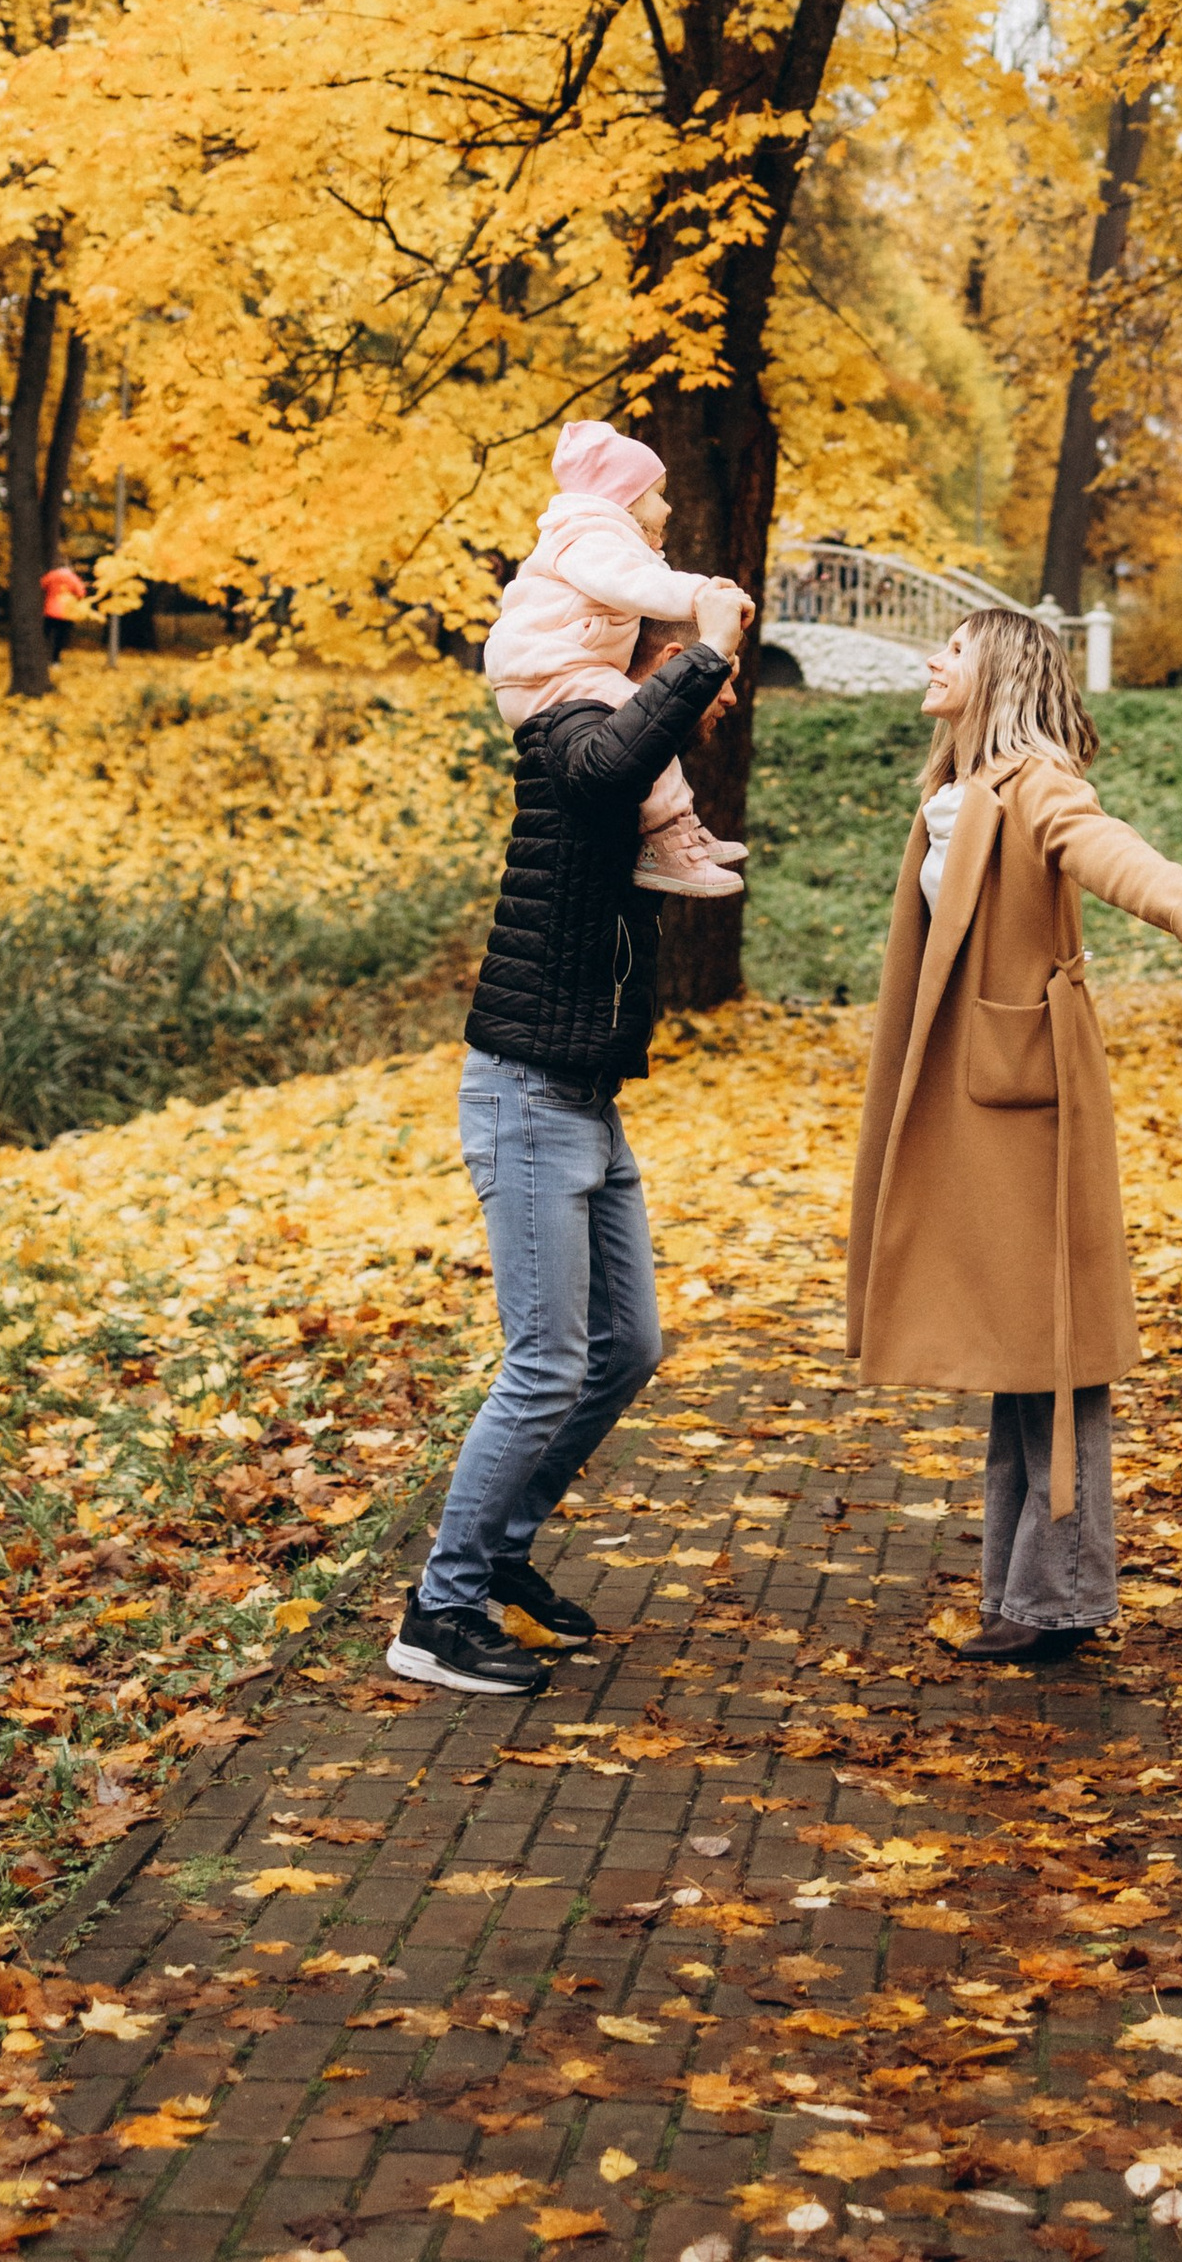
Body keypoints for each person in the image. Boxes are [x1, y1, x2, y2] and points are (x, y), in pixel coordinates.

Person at [846, 608, 1182, 1666]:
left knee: (1053, 1352)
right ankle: (1028, 1594)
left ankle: (1057, 1598)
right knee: (1019, 1355)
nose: (931, 660)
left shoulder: (1035, 782)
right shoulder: (951, 793)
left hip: (1023, 1100)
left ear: (994, 671)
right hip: (963, 1094)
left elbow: (1106, 850)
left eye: (950, 650)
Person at [389, 571, 754, 1696]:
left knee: (627, 1349)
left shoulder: (629, 761)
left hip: (583, 1097)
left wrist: (685, 685)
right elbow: (609, 762)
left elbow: (638, 770)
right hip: (527, 1093)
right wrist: (704, 654)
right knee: (545, 1363)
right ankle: (437, 1611)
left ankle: (498, 1555)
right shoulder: (565, 730)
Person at [484, 421, 749, 896]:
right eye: (659, 493)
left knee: (643, 720)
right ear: (623, 497)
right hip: (546, 669)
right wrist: (698, 596)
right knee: (643, 723)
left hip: (562, 667)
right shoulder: (586, 537)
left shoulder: (618, 544)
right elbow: (634, 585)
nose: (668, 506)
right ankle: (668, 838)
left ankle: (679, 830)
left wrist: (710, 590)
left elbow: (652, 577)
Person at [41, 558, 88, 664]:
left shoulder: (51, 575)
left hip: (49, 610)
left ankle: (42, 657)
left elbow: (42, 585)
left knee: (45, 635)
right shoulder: (73, 578)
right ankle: (55, 660)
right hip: (65, 612)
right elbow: (81, 593)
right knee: (60, 638)